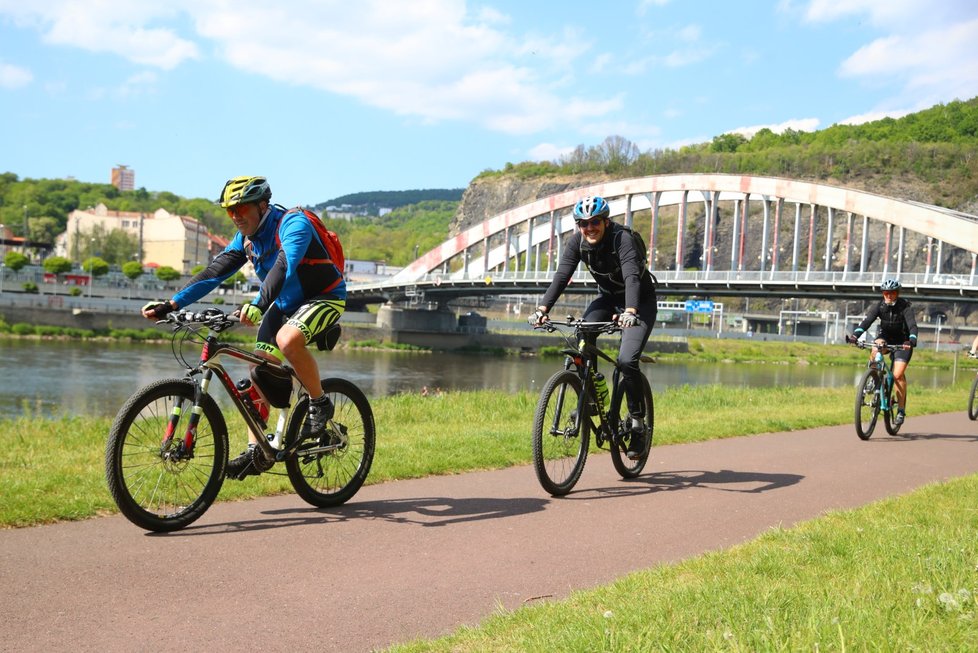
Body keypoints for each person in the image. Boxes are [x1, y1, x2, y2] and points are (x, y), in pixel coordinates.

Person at [141, 176, 346, 479]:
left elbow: (284, 266)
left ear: (263, 205)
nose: (236, 216)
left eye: (242, 209)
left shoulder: (293, 224)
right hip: (284, 304)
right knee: (259, 372)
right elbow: (214, 273)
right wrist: (173, 305)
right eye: (230, 211)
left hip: (324, 296)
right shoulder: (246, 240)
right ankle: (258, 451)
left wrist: (258, 305)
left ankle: (320, 403)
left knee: (287, 341)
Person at [529, 195, 657, 459]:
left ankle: (637, 426)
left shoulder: (622, 239)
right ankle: (590, 399)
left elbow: (632, 277)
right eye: (583, 223)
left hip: (639, 302)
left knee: (626, 361)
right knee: (583, 333)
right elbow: (562, 275)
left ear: (606, 222)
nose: (590, 228)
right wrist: (542, 310)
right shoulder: (577, 242)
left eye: (595, 221)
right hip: (609, 299)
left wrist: (631, 311)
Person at [847, 278, 918, 426]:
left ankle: (901, 410)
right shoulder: (879, 306)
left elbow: (912, 326)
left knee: (898, 375)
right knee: (875, 346)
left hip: (902, 342)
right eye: (886, 293)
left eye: (891, 293)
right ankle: (873, 377)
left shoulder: (905, 307)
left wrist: (911, 340)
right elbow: (867, 321)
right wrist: (855, 336)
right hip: (885, 337)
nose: (888, 296)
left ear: (897, 293)